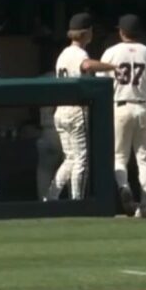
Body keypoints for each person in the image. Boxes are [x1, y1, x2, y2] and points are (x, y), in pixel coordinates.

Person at [50, 13, 117, 202]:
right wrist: (112, 66)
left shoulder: (63, 54)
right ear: (87, 32)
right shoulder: (79, 54)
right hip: (75, 110)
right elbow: (86, 65)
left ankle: (52, 196)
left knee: (70, 158)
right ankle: (77, 201)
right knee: (81, 159)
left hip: (61, 111)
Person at [101, 13, 146, 218]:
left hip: (120, 106)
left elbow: (101, 83)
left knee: (119, 157)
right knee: (145, 159)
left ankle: (124, 186)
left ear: (121, 31)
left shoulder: (111, 52)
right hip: (143, 106)